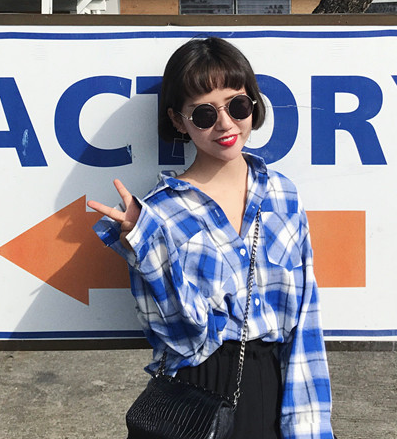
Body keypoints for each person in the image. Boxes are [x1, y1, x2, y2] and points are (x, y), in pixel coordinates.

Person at [88, 36, 334, 439]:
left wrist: (311, 428)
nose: (225, 124)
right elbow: (179, 336)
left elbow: (304, 320)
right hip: (193, 391)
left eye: (237, 106)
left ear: (253, 104)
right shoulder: (159, 213)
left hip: (271, 386)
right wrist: (146, 246)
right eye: (204, 113)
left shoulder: (283, 196)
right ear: (178, 120)